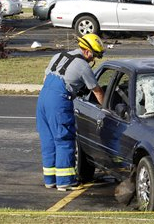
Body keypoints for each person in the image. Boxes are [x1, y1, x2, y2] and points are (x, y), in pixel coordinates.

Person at [36, 33, 105, 191]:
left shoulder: (58, 56)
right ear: (87, 51)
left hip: (43, 99)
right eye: (94, 56)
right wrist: (106, 108)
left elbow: (45, 79)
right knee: (64, 140)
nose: (93, 59)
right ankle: (65, 181)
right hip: (59, 102)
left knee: (49, 140)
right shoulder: (83, 66)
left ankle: (50, 180)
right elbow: (97, 92)